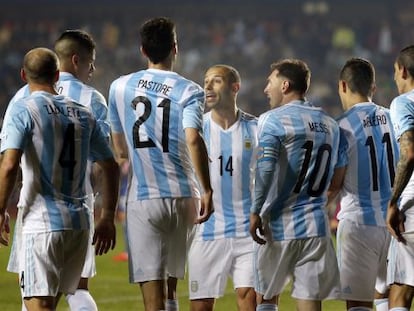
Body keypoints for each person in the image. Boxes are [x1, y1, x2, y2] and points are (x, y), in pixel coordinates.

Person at [0, 47, 119, 311]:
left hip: (42, 223)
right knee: (74, 292)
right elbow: (111, 166)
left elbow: (9, 166)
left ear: (23, 75)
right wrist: (107, 215)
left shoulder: (24, 109)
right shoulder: (83, 113)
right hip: (78, 222)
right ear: (57, 75)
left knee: (37, 304)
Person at [108, 17, 214, 311]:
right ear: (175, 48)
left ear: (143, 50)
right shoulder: (190, 90)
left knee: (152, 295)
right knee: (171, 287)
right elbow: (193, 139)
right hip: (184, 195)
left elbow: (120, 150)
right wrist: (207, 190)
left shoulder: (119, 87)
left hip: (144, 197)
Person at [249, 58, 342, 311]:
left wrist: (256, 210)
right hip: (317, 228)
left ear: (285, 85)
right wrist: (323, 202)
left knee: (267, 298)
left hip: (280, 225)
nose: (266, 89)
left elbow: (266, 169)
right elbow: (338, 176)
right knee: (310, 303)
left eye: (270, 82)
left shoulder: (272, 120)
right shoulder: (331, 124)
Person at [328, 57, 398, 311]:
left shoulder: (341, 128)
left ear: (342, 86)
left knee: (358, 304)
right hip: (394, 223)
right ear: (374, 89)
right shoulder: (394, 118)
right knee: (389, 298)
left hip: (358, 225)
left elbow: (334, 185)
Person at [188, 64, 257, 311]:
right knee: (201, 307)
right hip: (207, 230)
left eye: (215, 81)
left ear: (235, 87)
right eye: (205, 81)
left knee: (249, 300)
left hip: (247, 233)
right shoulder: (195, 130)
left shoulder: (256, 128)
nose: (207, 86)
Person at [386, 45, 414, 311]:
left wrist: (393, 202)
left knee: (400, 292)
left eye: (395, 72)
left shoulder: (403, 103)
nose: (395, 78)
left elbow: (409, 153)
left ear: (403, 71)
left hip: (413, 210)